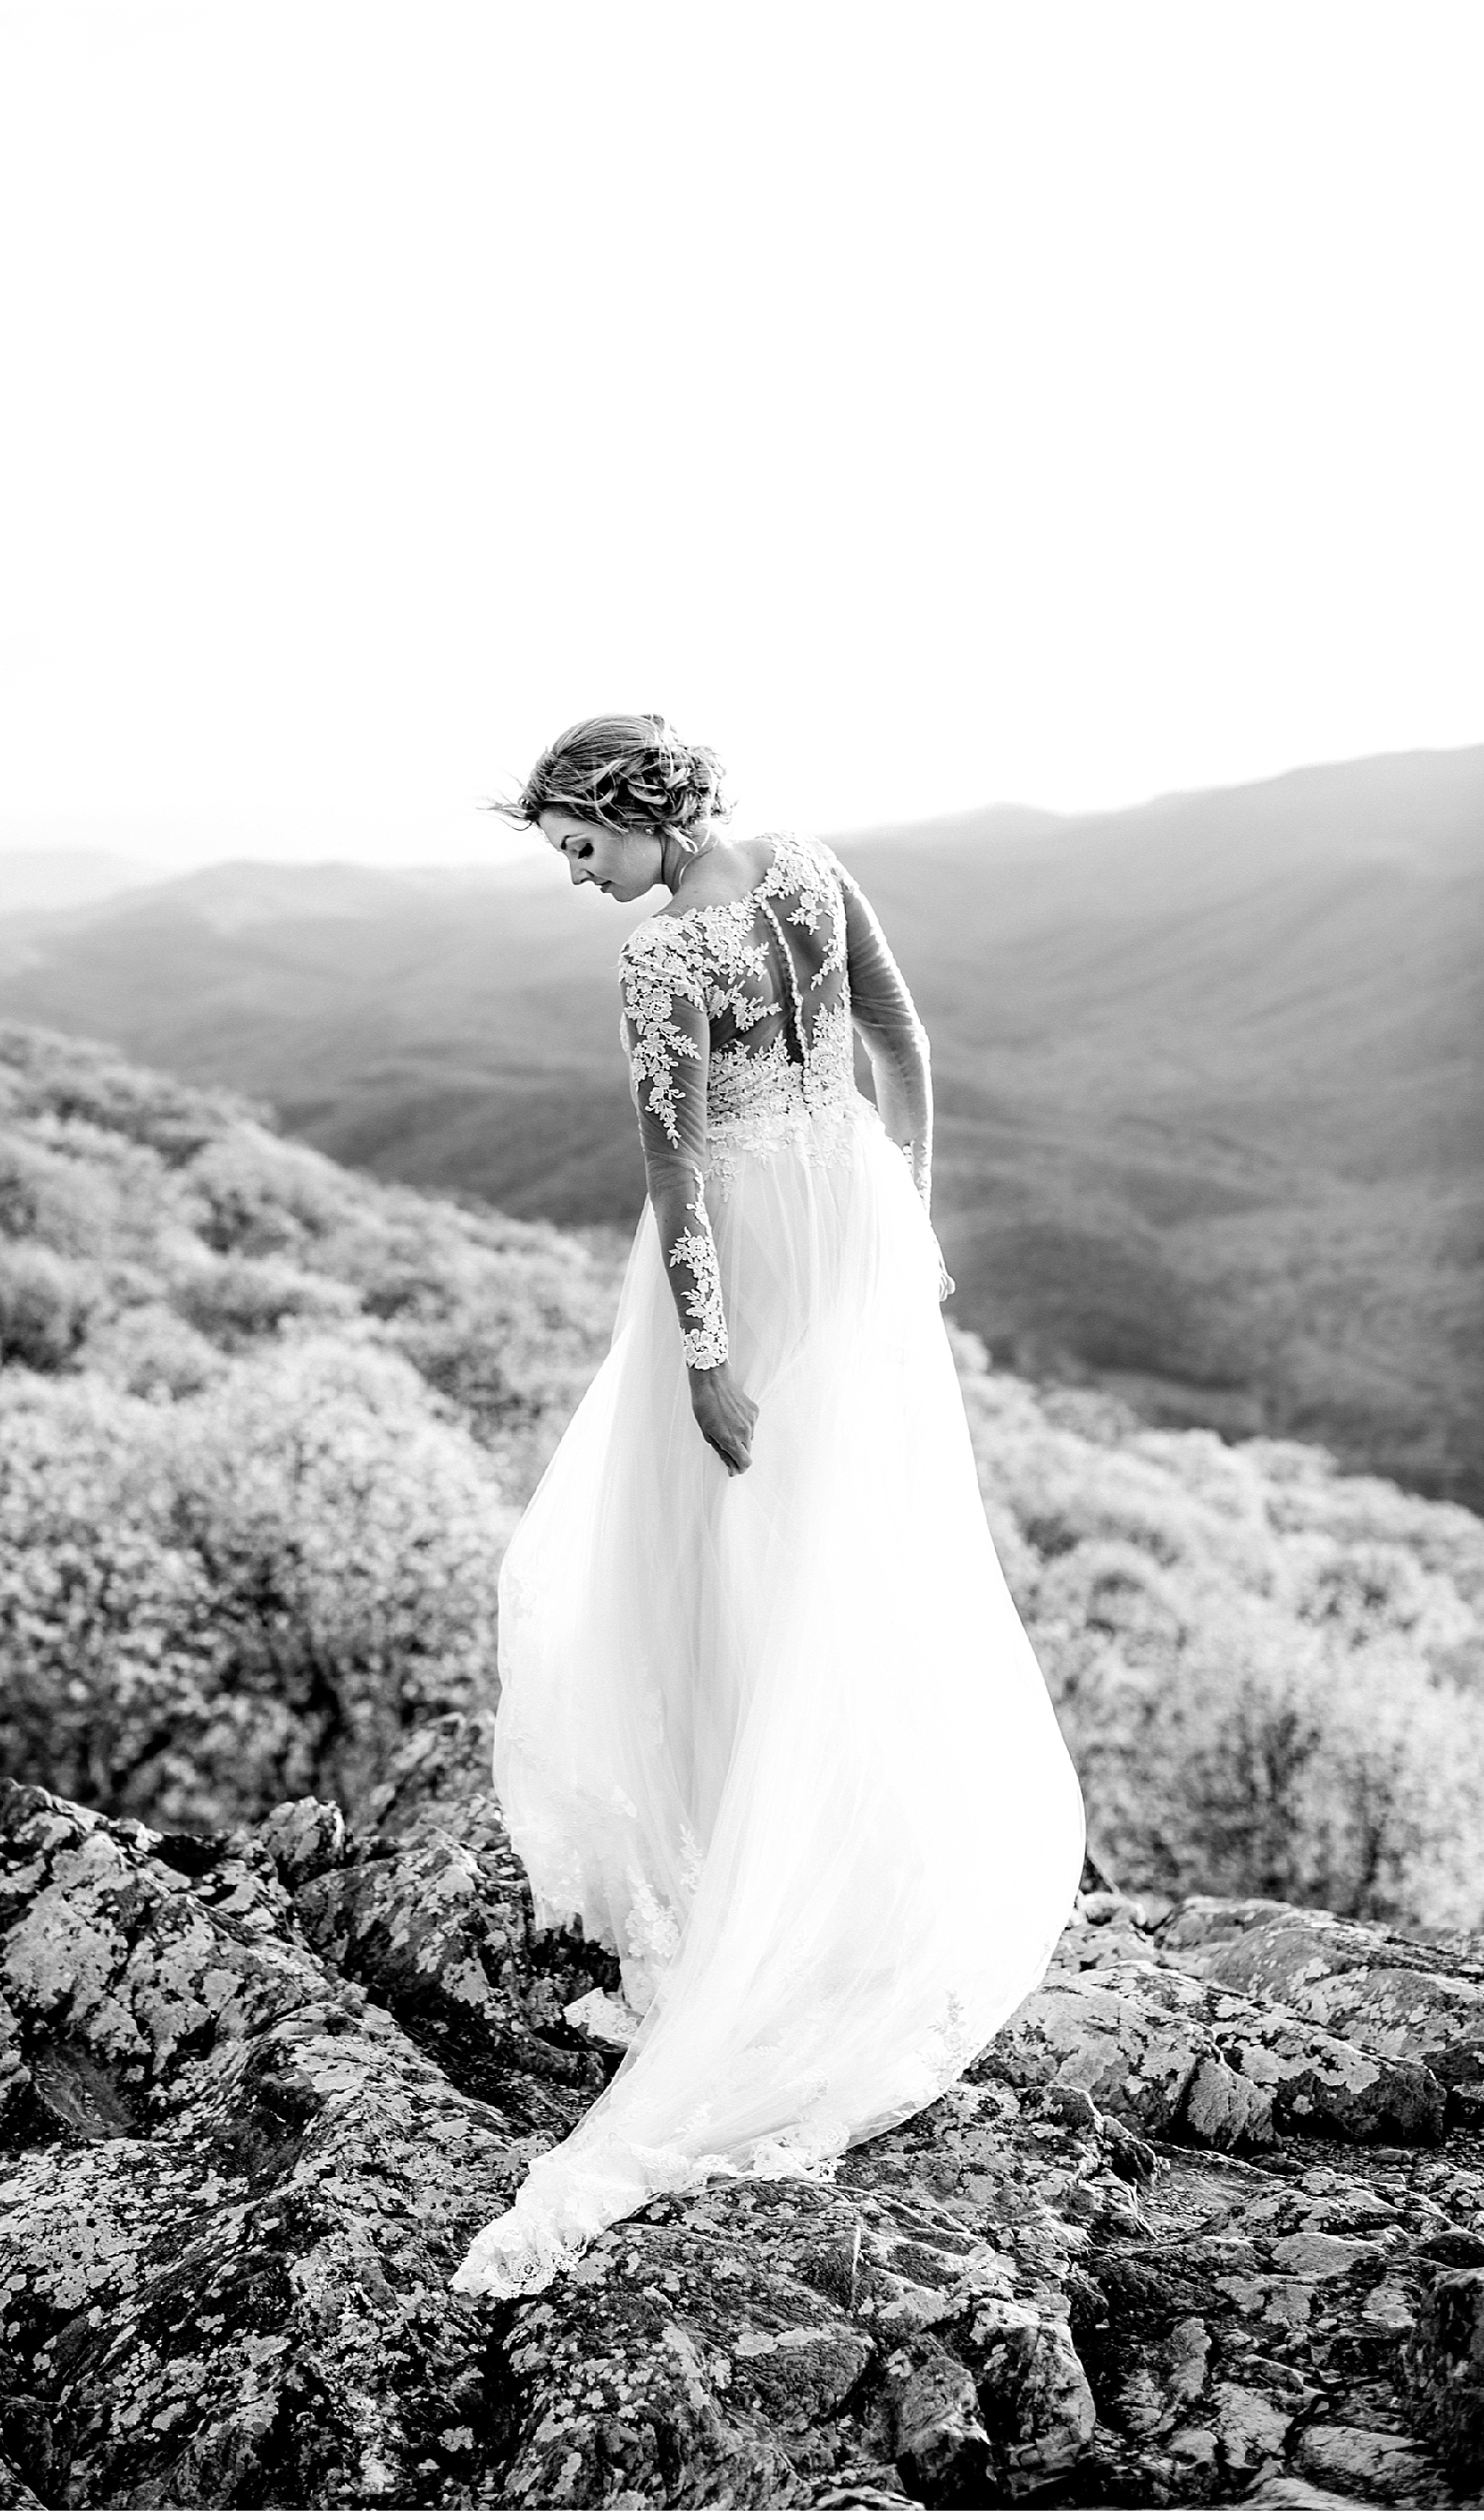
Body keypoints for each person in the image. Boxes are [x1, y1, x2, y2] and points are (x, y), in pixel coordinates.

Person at [450, 714, 1085, 2299]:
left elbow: (674, 1179)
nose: (586, 882)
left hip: (743, 1257)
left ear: (636, 812)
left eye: (585, 849)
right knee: (858, 1554)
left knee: (722, 1570)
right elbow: (901, 1042)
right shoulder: (812, 869)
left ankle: (760, 1897)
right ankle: (842, 1868)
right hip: (853, 1230)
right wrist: (904, 1209)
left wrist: (707, 1360)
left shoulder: (662, 966)